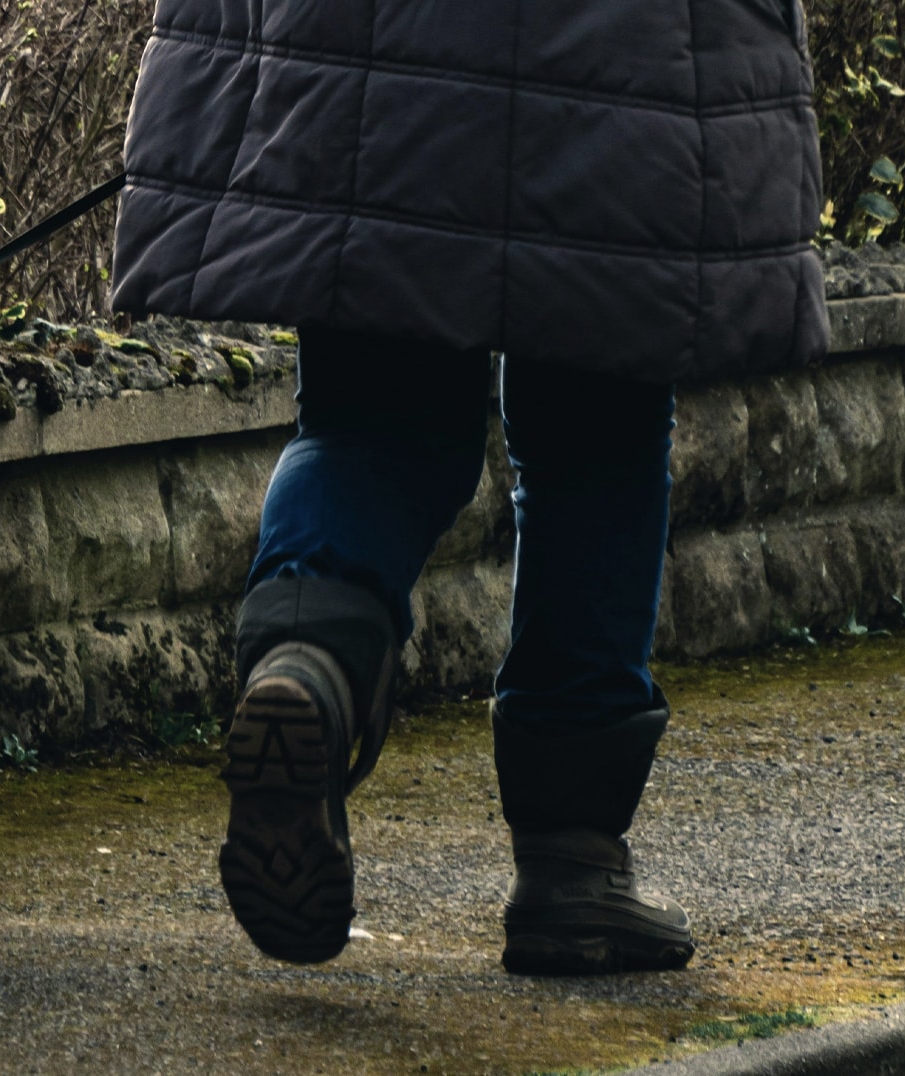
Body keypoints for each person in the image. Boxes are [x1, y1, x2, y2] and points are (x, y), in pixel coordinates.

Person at [109, 1, 829, 974]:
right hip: (624, 71)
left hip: (373, 58)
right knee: (595, 439)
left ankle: (308, 656)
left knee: (374, 420)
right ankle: (572, 865)